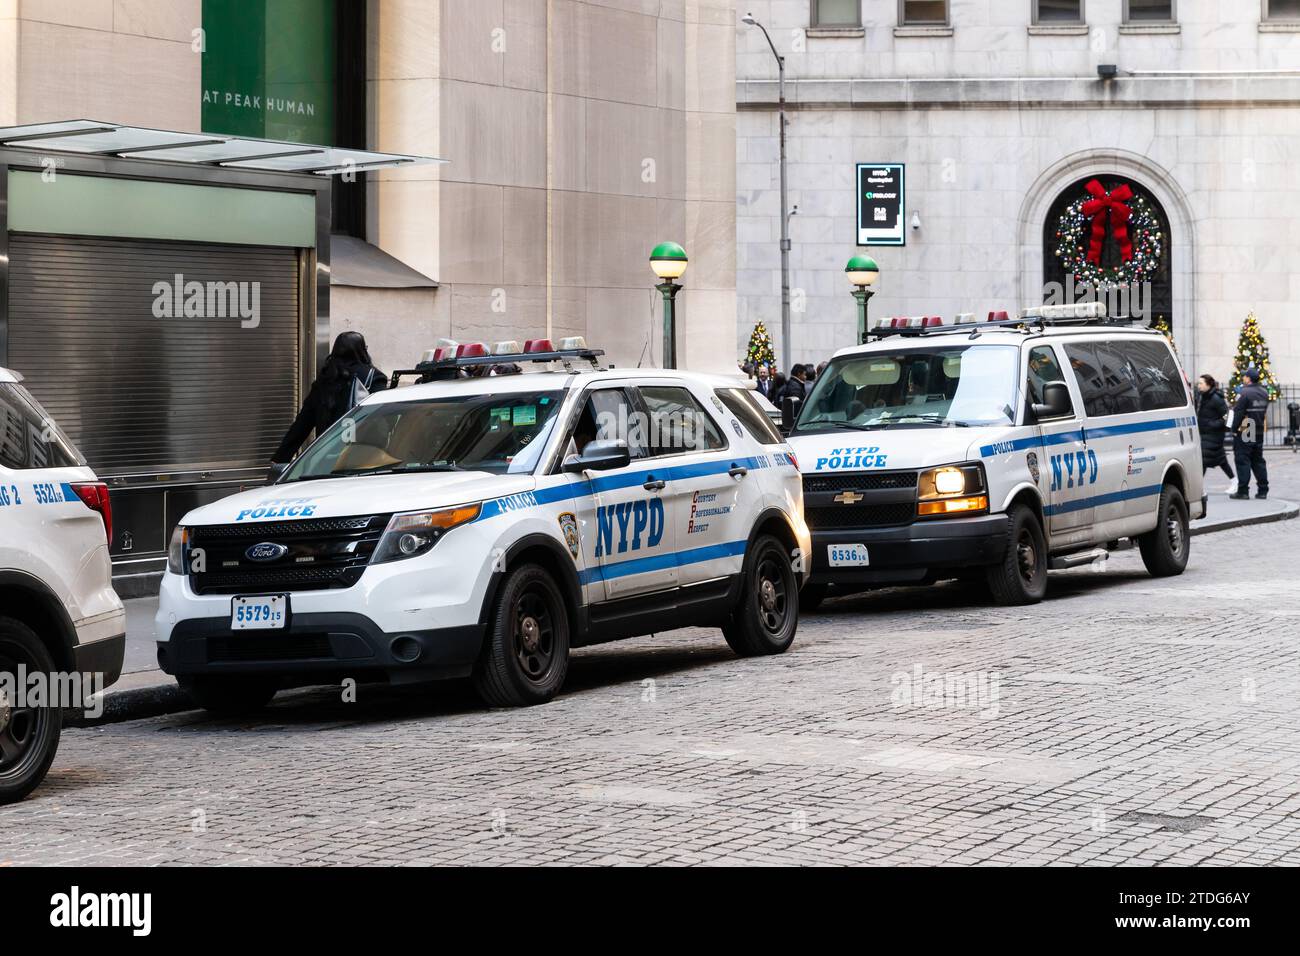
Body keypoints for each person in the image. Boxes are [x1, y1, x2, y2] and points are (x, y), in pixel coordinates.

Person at [272, 331, 388, 464]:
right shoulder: (373, 377)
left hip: (326, 456)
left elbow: (303, 424)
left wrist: (280, 458)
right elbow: (382, 417)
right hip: (362, 455)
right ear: (362, 350)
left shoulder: (325, 379)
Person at [1229, 367, 1270, 500]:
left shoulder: (1245, 393)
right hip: (1258, 428)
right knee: (1258, 460)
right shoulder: (1264, 392)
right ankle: (1263, 490)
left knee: (1243, 460)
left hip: (1247, 428)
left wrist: (1234, 429)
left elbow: (1239, 413)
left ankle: (1243, 491)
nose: (1243, 378)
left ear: (1249, 378)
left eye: (1245, 376)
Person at [1195, 374, 1235, 490]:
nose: (1199, 385)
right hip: (1206, 434)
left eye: (1201, 383)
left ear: (1208, 384)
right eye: (1199, 383)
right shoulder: (1203, 396)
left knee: (1204, 459)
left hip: (1214, 435)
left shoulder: (1216, 398)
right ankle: (1234, 480)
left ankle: (1198, 487)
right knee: (1220, 460)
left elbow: (1226, 416)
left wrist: (1214, 424)